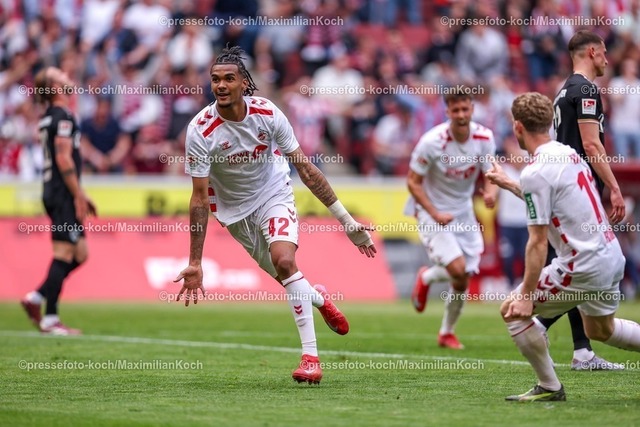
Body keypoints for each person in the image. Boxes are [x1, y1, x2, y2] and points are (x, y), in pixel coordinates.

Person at [173, 46, 376, 384]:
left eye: (228, 79)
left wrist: (347, 221)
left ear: (244, 83)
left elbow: (306, 170)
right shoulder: (200, 130)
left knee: (284, 261)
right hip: (233, 213)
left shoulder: (267, 114)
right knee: (286, 277)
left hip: (273, 193)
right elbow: (197, 198)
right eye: (215, 80)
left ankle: (310, 358)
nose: (221, 85)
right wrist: (195, 261)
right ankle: (318, 298)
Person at [486, 92, 640, 402]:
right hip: (610, 256)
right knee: (600, 330)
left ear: (518, 127)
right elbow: (549, 198)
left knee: (512, 311)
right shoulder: (568, 153)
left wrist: (526, 295)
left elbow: (537, 242)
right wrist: (508, 183)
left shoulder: (535, 171)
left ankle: (549, 387)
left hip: (581, 265)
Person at [534, 30, 626, 370]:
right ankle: (539, 323)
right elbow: (591, 143)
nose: (607, 59)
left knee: (574, 260)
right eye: (603, 53)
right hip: (578, 188)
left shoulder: (563, 90)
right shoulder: (585, 89)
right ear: (591, 52)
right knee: (587, 261)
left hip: (567, 187)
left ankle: (582, 350)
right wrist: (614, 187)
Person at [408, 87, 498, 350]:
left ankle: (446, 330)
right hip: (432, 210)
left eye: (465, 109)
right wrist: (434, 213)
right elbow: (413, 182)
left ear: (472, 109)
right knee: (457, 269)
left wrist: (491, 193)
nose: (460, 114)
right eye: (455, 109)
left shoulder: (484, 137)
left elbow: (491, 173)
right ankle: (431, 285)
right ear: (447, 111)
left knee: (463, 276)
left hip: (463, 212)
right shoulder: (431, 142)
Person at [20, 67, 97, 335]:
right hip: (61, 192)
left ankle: (37, 297)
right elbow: (63, 158)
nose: (67, 76)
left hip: (58, 189)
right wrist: (77, 194)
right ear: (54, 87)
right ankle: (50, 317)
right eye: (60, 75)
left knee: (80, 253)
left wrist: (81, 193)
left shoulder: (50, 117)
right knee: (63, 253)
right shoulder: (62, 116)